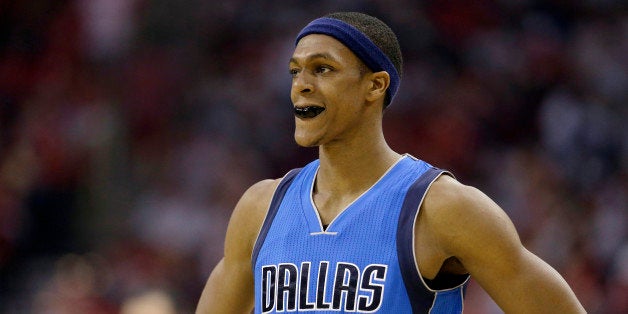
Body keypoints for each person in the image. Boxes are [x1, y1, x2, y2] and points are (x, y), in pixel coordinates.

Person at [196, 12, 585, 313]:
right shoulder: (260, 207)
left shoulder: (441, 208)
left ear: (375, 85)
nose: (301, 83)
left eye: (322, 69)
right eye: (295, 70)